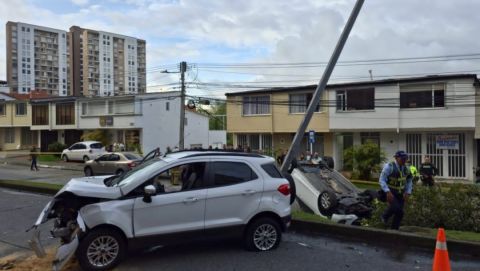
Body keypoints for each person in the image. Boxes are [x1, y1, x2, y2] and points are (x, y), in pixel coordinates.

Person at [379, 150, 413, 230]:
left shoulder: (406, 168)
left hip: (400, 193)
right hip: (390, 192)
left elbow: (409, 181)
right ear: (397, 158)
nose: (404, 160)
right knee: (397, 208)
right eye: (402, 159)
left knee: (400, 213)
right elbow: (382, 180)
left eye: (405, 159)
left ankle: (394, 229)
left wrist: (408, 192)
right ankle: (384, 216)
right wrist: (387, 192)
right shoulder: (389, 167)